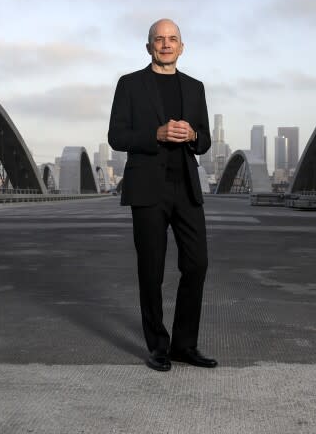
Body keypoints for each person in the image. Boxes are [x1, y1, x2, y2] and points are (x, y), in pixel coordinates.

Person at [108, 18, 217, 372]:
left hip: (185, 187)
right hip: (147, 189)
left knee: (196, 264)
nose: (166, 44)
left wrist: (193, 137)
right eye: (159, 39)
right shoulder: (129, 84)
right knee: (151, 270)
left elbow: (205, 139)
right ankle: (158, 346)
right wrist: (155, 133)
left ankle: (185, 345)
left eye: (172, 39)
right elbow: (116, 136)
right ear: (149, 46)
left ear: (182, 47)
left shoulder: (195, 87)